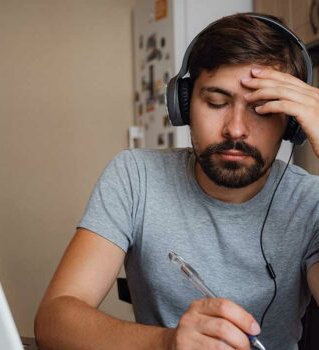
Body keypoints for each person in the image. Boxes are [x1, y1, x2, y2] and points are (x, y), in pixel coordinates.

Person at [34, 12, 319, 350]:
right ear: (182, 104)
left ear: (292, 125)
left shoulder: (310, 200)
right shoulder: (134, 177)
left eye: (262, 110)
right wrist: (167, 343)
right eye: (216, 102)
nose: (235, 128)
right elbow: (54, 320)